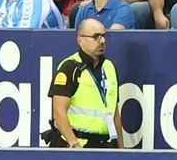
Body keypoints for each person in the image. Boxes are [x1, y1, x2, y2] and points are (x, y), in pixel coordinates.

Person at [46, 20, 121, 148]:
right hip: (79, 144)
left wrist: (121, 149)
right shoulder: (69, 67)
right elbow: (59, 112)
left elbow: (115, 112)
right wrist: (74, 145)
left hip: (106, 145)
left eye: (104, 36)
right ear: (81, 40)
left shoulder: (109, 67)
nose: (102, 41)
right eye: (96, 37)